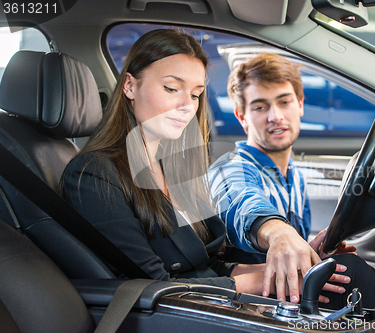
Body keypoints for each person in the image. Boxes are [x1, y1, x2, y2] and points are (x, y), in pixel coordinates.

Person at [61, 29, 342, 300]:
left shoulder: (175, 171)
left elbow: (209, 268)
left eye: (195, 94)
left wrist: (303, 261)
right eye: (172, 88)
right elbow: (151, 288)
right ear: (130, 86)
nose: (187, 105)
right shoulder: (93, 174)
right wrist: (278, 261)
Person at [209, 53, 375, 308]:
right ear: (242, 117)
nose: (275, 116)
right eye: (260, 107)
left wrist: (310, 253)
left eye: (284, 102)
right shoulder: (233, 168)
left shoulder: (294, 175)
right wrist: (278, 233)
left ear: (300, 104)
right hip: (246, 306)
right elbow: (240, 200)